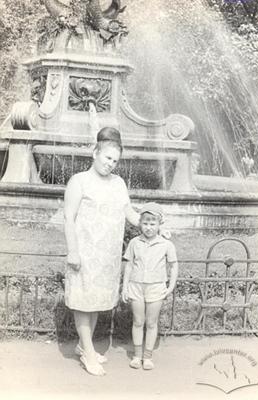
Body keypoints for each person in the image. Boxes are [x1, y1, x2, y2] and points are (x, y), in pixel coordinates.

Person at [64, 127, 139, 377]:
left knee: (94, 301)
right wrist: (73, 251)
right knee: (84, 303)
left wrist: (152, 222)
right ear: (95, 153)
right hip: (84, 253)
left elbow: (130, 213)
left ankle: (82, 345)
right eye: (107, 158)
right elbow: (68, 218)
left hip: (107, 255)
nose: (111, 164)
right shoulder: (79, 181)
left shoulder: (118, 183)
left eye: (115, 161)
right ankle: (87, 352)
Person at [122, 202, 178, 370]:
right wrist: (125, 287)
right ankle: (137, 355)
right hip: (136, 286)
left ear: (159, 224)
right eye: (145, 223)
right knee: (138, 321)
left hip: (155, 287)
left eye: (152, 224)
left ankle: (147, 357)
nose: (148, 227)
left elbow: (174, 265)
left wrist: (171, 285)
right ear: (140, 223)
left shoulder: (166, 244)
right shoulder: (134, 242)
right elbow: (130, 266)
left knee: (151, 322)